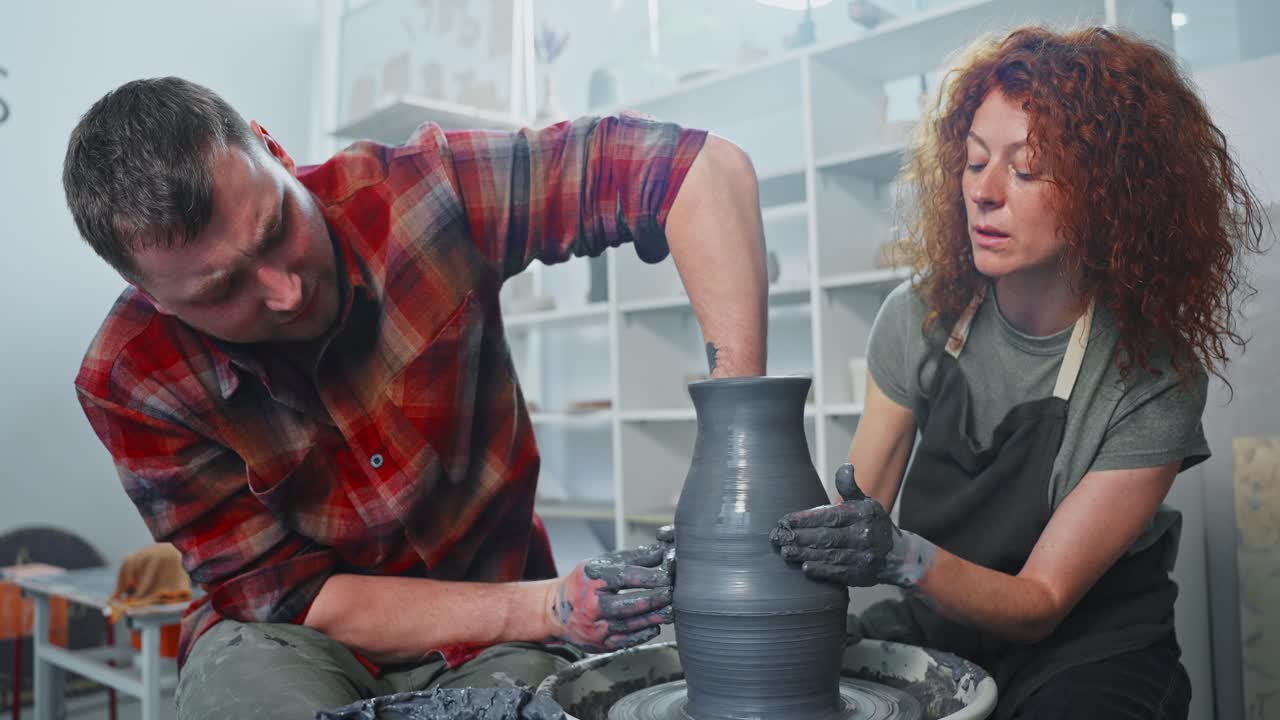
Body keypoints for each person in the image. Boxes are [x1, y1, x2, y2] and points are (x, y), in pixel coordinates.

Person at [63, 77, 767, 718]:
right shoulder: (132, 382)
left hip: (498, 620)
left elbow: (699, 169)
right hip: (288, 645)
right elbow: (296, 600)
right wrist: (551, 604)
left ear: (275, 151)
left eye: (277, 227)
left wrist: (744, 439)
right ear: (157, 300)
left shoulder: (422, 196)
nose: (285, 290)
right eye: (222, 291)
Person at [769, 26, 1264, 720]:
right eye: (974, 163)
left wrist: (902, 558)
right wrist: (733, 553)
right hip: (944, 631)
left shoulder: (1152, 374)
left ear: (1110, 194)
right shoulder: (917, 317)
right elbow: (854, 510)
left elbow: (1040, 603)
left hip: (1089, 652)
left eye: (1027, 169)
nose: (986, 192)